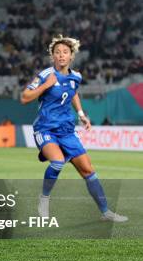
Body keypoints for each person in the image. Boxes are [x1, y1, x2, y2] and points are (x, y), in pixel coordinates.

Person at [20, 35, 127, 222]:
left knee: (88, 171)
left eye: (65, 52)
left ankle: (106, 212)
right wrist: (45, 86)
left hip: (67, 130)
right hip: (45, 129)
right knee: (57, 162)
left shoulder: (76, 76)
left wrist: (81, 113)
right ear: (52, 56)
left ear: (71, 56)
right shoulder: (46, 75)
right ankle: (44, 198)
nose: (61, 55)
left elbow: (73, 93)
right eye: (57, 52)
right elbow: (25, 97)